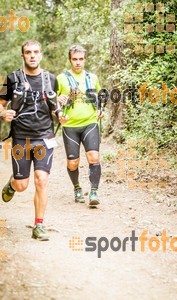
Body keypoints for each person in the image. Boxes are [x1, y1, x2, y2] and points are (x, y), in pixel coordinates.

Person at [0, 40, 63, 241]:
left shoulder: (51, 79)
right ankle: (12, 184)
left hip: (45, 137)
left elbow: (54, 104)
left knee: (42, 180)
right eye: (28, 52)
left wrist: (60, 114)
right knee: (22, 185)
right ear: (23, 56)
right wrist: (3, 113)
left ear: (41, 55)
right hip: (21, 139)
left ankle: (39, 226)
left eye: (36, 52)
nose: (32, 55)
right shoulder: (11, 79)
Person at [57, 45, 103, 206]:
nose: (78, 62)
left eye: (81, 59)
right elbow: (52, 100)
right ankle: (77, 187)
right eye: (75, 59)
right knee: (73, 162)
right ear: (70, 60)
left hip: (90, 122)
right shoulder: (61, 78)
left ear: (85, 60)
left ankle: (94, 192)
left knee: (94, 157)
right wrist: (58, 102)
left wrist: (100, 109)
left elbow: (100, 95)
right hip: (70, 126)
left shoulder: (92, 77)